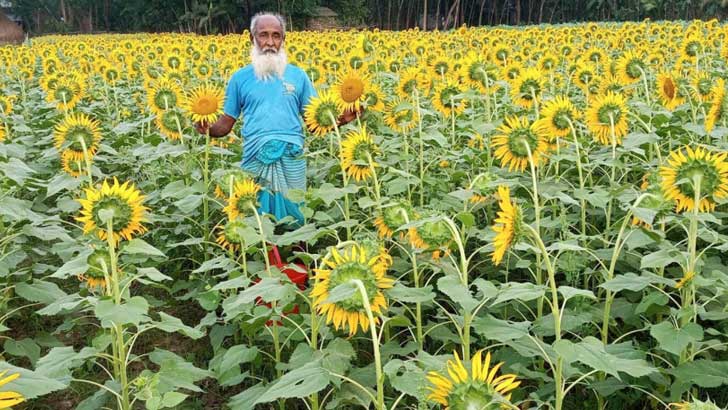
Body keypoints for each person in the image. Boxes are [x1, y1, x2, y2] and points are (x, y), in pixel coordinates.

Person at [195, 12, 358, 226]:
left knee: (297, 214)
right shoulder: (240, 78)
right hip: (255, 157)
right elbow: (226, 123)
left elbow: (313, 122)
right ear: (252, 38)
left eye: (276, 36)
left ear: (283, 40)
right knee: (254, 216)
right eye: (263, 35)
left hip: (292, 157)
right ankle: (264, 258)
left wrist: (341, 120)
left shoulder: (298, 76)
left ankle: (298, 257)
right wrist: (207, 127)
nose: (270, 42)